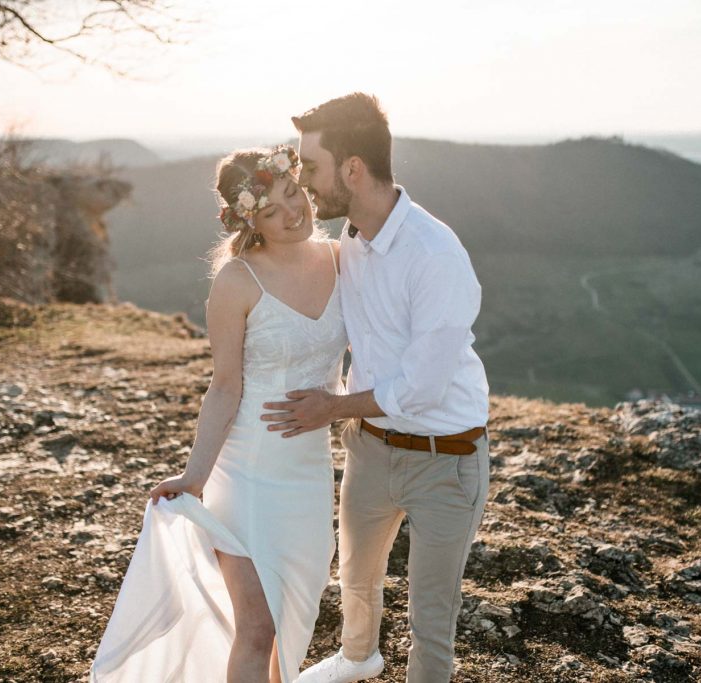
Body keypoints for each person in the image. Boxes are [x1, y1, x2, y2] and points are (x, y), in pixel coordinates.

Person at [89, 144, 348, 683]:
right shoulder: (237, 281)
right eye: (271, 210)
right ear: (249, 220)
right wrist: (194, 477)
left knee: (290, 622)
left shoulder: (342, 260)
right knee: (255, 628)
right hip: (249, 474)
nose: (292, 213)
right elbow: (225, 386)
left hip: (309, 475)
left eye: (293, 195)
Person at [261, 93, 490, 683]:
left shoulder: (434, 253)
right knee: (356, 581)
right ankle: (358, 659)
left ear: (353, 169)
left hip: (449, 460)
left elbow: (422, 387)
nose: (305, 184)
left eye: (311, 170)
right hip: (370, 450)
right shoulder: (350, 244)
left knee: (432, 615)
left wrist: (332, 407)